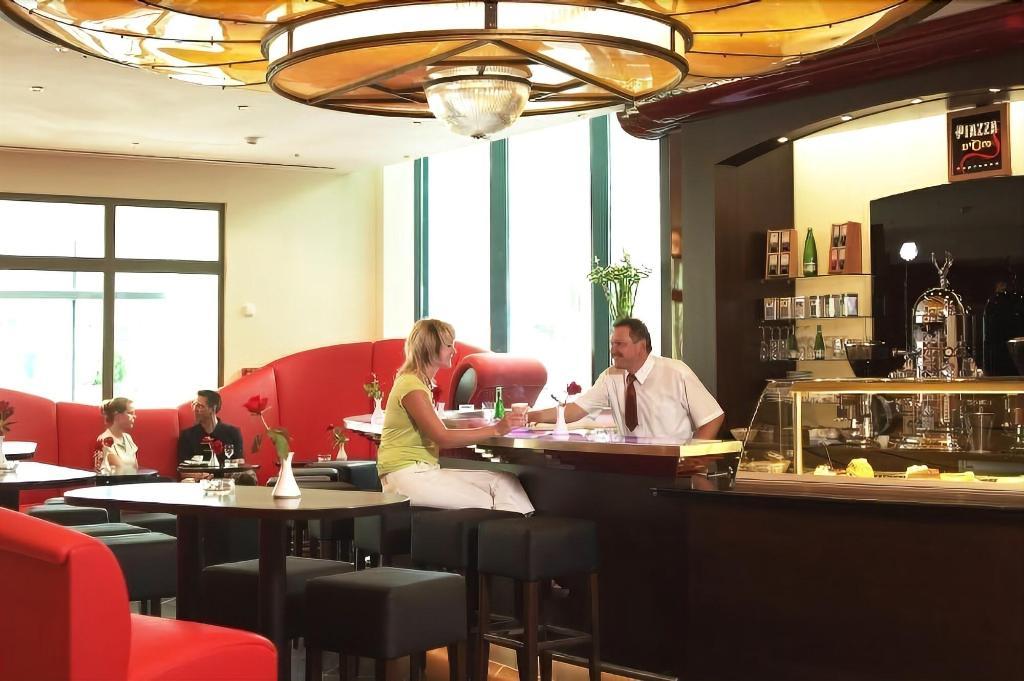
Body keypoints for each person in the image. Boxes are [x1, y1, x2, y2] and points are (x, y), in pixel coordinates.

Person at [377, 318, 535, 514]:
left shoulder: (419, 383)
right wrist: (496, 429)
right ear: (429, 348)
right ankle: (509, 529)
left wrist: (471, 426)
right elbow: (442, 437)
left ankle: (519, 527)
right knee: (489, 501)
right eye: (448, 345)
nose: (454, 350)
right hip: (407, 476)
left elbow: (433, 428)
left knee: (505, 481)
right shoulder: (411, 386)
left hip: (424, 471)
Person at [529, 318, 725, 441]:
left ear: (641, 346)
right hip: (631, 466)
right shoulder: (610, 376)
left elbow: (713, 417)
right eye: (612, 344)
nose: (613, 350)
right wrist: (529, 417)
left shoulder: (676, 372)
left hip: (674, 468)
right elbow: (576, 410)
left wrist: (693, 461)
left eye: (620, 344)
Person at [177, 389, 245, 463]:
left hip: (227, 470)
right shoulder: (187, 435)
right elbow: (183, 466)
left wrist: (235, 463)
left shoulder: (233, 433)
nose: (195, 409)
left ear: (213, 408)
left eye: (200, 406)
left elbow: (240, 461)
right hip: (199, 471)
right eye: (194, 404)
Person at [96, 397, 139, 475]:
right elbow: (120, 469)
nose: (134, 416)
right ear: (117, 415)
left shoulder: (128, 438)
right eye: (130, 413)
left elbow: (135, 468)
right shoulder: (105, 440)